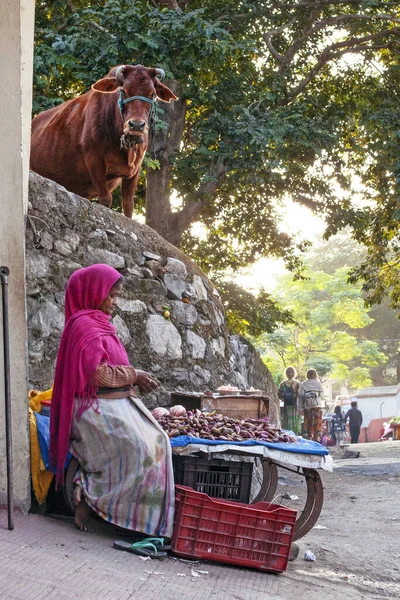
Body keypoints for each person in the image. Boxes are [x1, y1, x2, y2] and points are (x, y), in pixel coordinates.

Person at [49, 264, 175, 537]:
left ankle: (143, 517)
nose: (115, 303)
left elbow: (111, 367)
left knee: (160, 440)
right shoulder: (82, 325)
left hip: (113, 403)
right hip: (91, 409)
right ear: (94, 292)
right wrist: (134, 374)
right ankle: (92, 498)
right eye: (112, 296)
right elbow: (95, 375)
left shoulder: (100, 323)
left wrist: (135, 381)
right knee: (142, 448)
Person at [297, 369, 324, 442]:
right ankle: (316, 438)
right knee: (317, 423)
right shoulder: (318, 383)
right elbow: (322, 396)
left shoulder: (303, 384)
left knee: (309, 423)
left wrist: (300, 408)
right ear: (315, 374)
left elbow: (300, 396)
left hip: (307, 407)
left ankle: (309, 438)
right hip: (317, 407)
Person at [278, 366, 301, 434]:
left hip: (287, 404)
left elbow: (279, 394)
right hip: (295, 404)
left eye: (290, 372)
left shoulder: (283, 384)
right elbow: (300, 394)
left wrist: (284, 397)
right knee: (295, 420)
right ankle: (295, 433)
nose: (289, 373)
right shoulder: (297, 383)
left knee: (287, 420)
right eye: (288, 372)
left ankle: (289, 434)